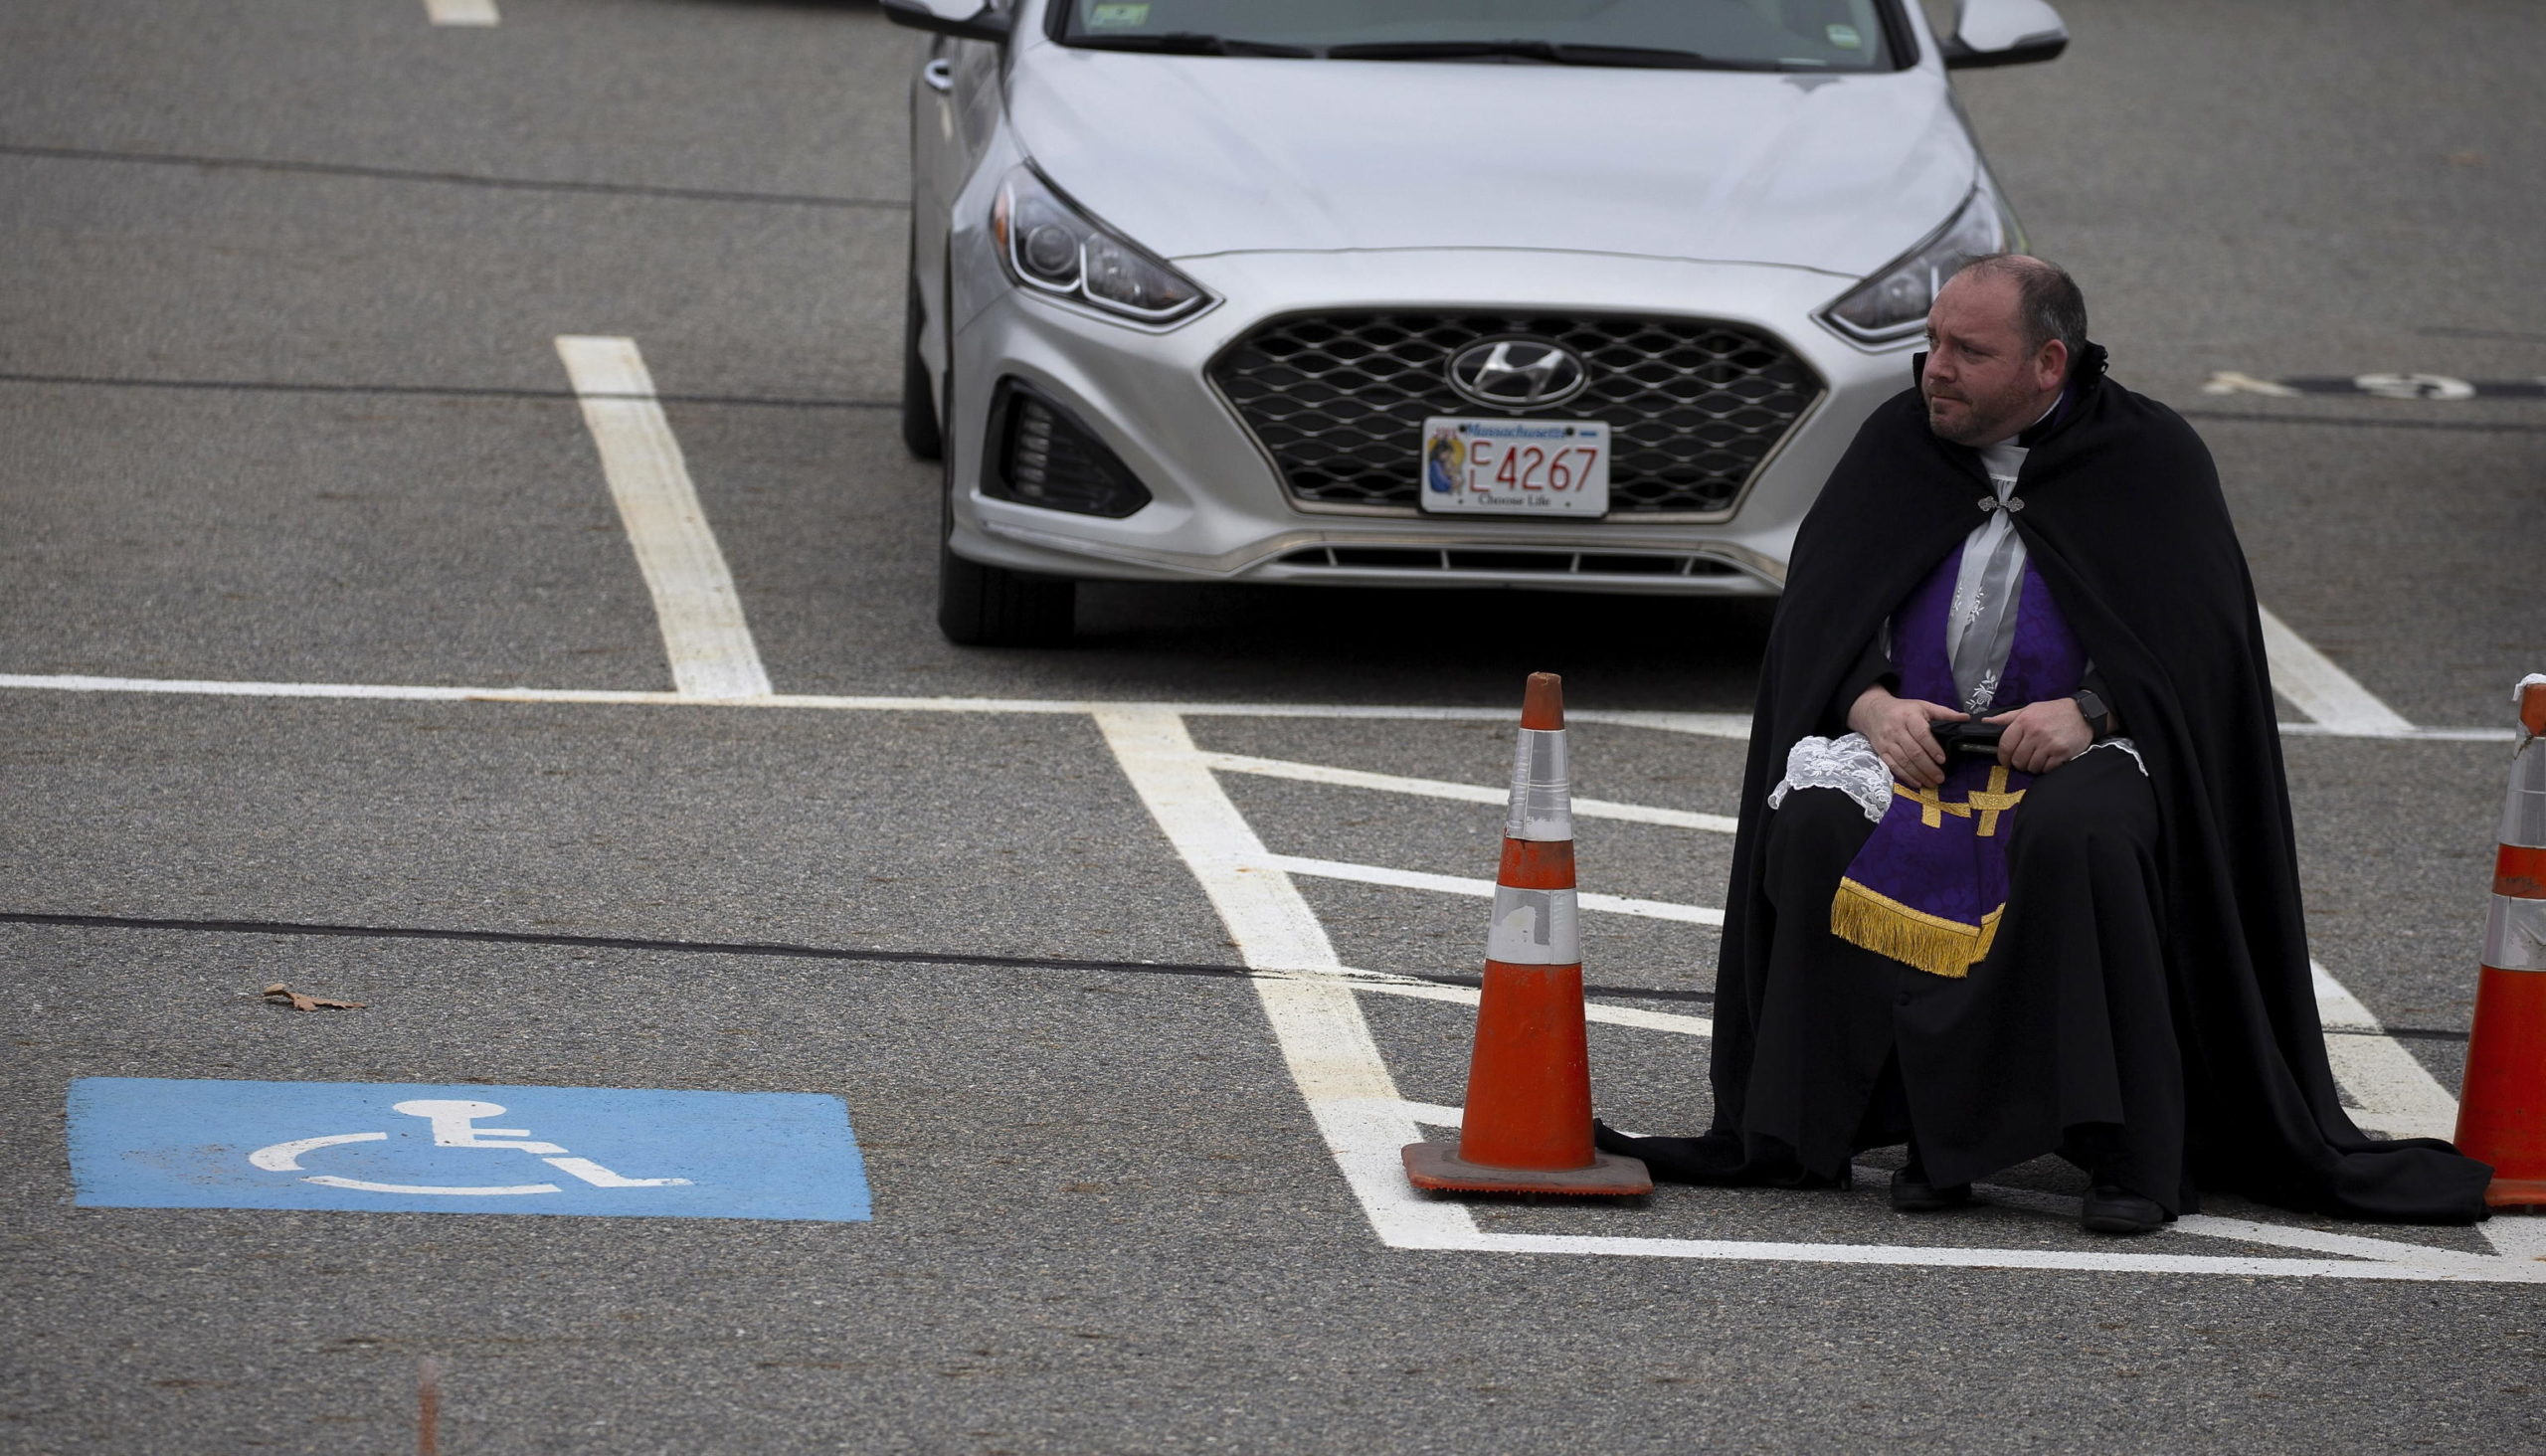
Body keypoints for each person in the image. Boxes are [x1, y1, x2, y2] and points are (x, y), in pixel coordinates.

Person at [1598, 255, 2491, 1233]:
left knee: (2082, 836)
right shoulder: (1897, 443)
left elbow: (2200, 647)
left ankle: (2124, 1151)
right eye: (1931, 342)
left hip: (2080, 749)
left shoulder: (2148, 457)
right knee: (1813, 821)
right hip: (1920, 746)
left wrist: (2094, 711)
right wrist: (1868, 706)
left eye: (1968, 351)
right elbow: (1822, 617)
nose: (1936, 369)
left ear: (2048, 364)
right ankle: (1825, 1128)